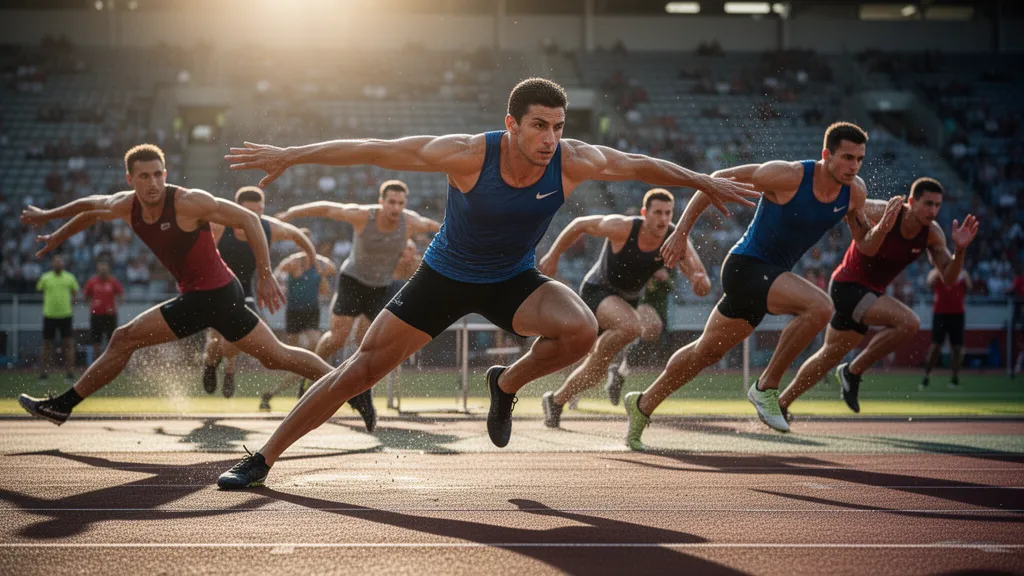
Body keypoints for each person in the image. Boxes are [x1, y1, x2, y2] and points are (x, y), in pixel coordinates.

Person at [216, 77, 758, 488]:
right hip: (444, 278)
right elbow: (375, 147)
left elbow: (638, 164)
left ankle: (505, 385)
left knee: (580, 330)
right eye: (540, 126)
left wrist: (701, 180)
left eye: (559, 126)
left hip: (512, 279)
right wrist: (291, 154)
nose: (551, 138)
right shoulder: (468, 154)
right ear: (513, 123)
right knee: (358, 370)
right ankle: (262, 458)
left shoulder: (570, 162)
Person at [16, 144, 340, 427]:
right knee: (277, 356)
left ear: (166, 173)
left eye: (158, 174)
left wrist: (266, 274)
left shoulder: (187, 202)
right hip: (217, 295)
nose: (154, 183)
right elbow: (91, 208)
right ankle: (350, 387)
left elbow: (250, 219)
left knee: (123, 338)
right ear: (130, 180)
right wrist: (52, 223)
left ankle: (62, 406)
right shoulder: (125, 206)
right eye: (144, 177)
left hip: (212, 294)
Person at [626, 122, 885, 447]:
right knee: (820, 307)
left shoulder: (854, 192)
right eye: (847, 157)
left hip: (769, 279)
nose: (854, 166)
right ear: (826, 155)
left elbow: (866, 244)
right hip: (745, 267)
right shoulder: (788, 176)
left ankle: (642, 405)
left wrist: (884, 226)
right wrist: (681, 234)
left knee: (704, 352)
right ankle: (766, 388)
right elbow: (716, 178)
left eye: (860, 159)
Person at [777, 177, 978, 417]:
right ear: (911, 201)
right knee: (909, 322)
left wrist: (961, 250)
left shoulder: (932, 234)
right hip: (848, 286)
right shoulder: (885, 210)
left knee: (828, 356)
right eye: (927, 204)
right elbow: (848, 206)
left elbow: (948, 277)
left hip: (870, 295)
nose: (933, 211)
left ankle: (781, 403)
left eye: (937, 205)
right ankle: (853, 371)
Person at [536, 188, 710, 428]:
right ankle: (601, 360)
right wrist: (554, 255)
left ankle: (556, 400)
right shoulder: (624, 227)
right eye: (657, 212)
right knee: (630, 327)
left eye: (668, 213)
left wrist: (700, 281)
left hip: (629, 300)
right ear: (644, 213)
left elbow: (701, 279)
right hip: (598, 291)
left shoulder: (676, 237)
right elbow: (579, 224)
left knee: (606, 363)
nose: (663, 219)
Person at [274, 180, 441, 366]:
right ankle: (312, 375)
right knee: (337, 339)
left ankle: (360, 391)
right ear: (381, 201)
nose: (396, 208)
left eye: (401, 203)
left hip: (380, 286)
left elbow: (436, 227)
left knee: (366, 344)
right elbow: (327, 209)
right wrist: (291, 213)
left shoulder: (411, 222)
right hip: (352, 280)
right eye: (391, 202)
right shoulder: (363, 215)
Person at [200, 186, 320, 400]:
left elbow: (298, 235)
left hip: (243, 290)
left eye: (257, 212)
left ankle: (229, 368)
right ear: (236, 209)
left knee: (235, 339)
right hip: (216, 288)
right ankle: (210, 364)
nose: (252, 218)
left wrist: (311, 257)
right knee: (215, 341)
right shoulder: (219, 225)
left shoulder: (268, 228)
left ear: (263, 210)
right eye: (247, 213)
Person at [259, 237, 337, 411]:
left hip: (311, 312)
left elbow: (332, 270)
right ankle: (286, 387)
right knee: (291, 358)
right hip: (294, 312)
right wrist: (284, 283)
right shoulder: (292, 262)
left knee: (313, 344)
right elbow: (277, 273)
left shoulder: (321, 263)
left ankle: (304, 381)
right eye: (302, 246)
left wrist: (321, 273)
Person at [922, 261, 973, 390]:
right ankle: (926, 377)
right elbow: (928, 284)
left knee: (957, 349)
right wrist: (939, 272)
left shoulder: (962, 274)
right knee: (935, 348)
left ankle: (955, 378)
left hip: (957, 315)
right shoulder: (936, 272)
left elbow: (970, 288)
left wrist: (962, 276)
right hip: (940, 314)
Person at [36, 254, 78, 381]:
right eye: (56, 262)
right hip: (49, 315)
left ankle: (70, 372)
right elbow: (40, 290)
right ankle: (44, 373)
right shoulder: (45, 277)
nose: (58, 264)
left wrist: (71, 304)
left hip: (66, 315)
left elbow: (75, 293)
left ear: (63, 264)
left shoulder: (70, 277)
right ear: (52, 264)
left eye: (60, 262)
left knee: (68, 344)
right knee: (47, 344)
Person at [82, 259, 123, 358]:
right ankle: (97, 363)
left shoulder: (113, 281)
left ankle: (111, 362)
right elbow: (86, 297)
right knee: (96, 341)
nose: (103, 270)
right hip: (96, 315)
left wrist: (115, 307)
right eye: (101, 267)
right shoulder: (92, 282)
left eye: (105, 268)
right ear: (97, 269)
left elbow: (120, 296)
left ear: (108, 269)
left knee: (112, 340)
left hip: (110, 315)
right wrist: (93, 305)